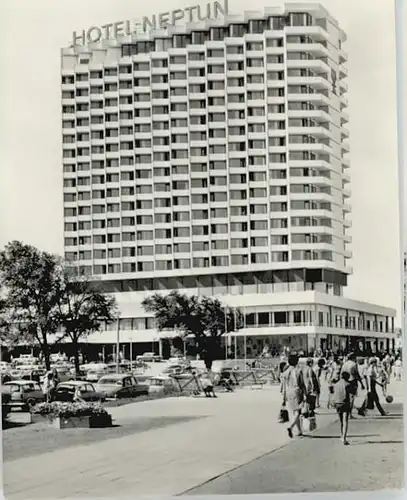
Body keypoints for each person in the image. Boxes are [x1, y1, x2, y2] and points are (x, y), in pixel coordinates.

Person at [281, 354, 307, 439]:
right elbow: (302, 384)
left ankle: (299, 430)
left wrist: (284, 398)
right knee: (298, 412)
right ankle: (291, 427)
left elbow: (284, 386)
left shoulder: (286, 372)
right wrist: (306, 394)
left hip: (289, 391)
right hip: (297, 391)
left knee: (294, 411)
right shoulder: (298, 371)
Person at [341, 352, 365, 418]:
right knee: (351, 398)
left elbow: (341, 373)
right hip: (352, 381)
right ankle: (350, 414)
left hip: (345, 381)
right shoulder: (354, 364)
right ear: (353, 358)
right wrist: (362, 383)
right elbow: (356, 374)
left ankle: (345, 413)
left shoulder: (344, 364)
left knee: (346, 398)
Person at [333, 371, 352, 445]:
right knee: (345, 421)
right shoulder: (348, 384)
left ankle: (342, 435)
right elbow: (351, 395)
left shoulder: (336, 384)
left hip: (337, 403)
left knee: (341, 421)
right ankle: (344, 438)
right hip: (345, 403)